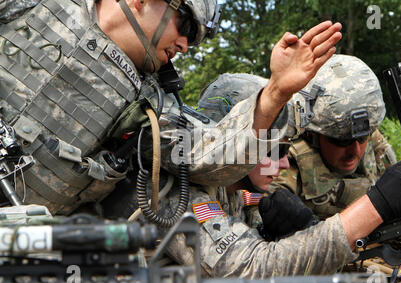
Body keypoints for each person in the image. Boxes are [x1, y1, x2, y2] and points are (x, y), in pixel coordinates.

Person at [0, 0, 342, 215]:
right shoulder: (33, 6)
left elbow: (208, 158)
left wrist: (275, 93)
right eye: (187, 26)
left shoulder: (148, 102)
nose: (186, 45)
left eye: (194, 39)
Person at [161, 74, 401, 278]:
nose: (285, 163)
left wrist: (299, 229)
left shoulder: (234, 192)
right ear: (235, 142)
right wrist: (377, 205)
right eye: (274, 151)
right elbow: (249, 274)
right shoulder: (179, 195)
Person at [271, 54, 398, 220]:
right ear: (313, 135)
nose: (355, 150)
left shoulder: (369, 136)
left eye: (362, 139)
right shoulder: (284, 160)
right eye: (342, 141)